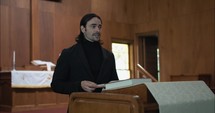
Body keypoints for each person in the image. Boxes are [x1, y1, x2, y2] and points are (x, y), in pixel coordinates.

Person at [51, 13, 119, 94]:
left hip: (105, 104)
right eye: (93, 26)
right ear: (83, 29)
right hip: (80, 104)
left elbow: (115, 83)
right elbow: (56, 85)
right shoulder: (68, 54)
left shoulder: (109, 56)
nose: (98, 30)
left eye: (99, 27)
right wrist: (79, 86)